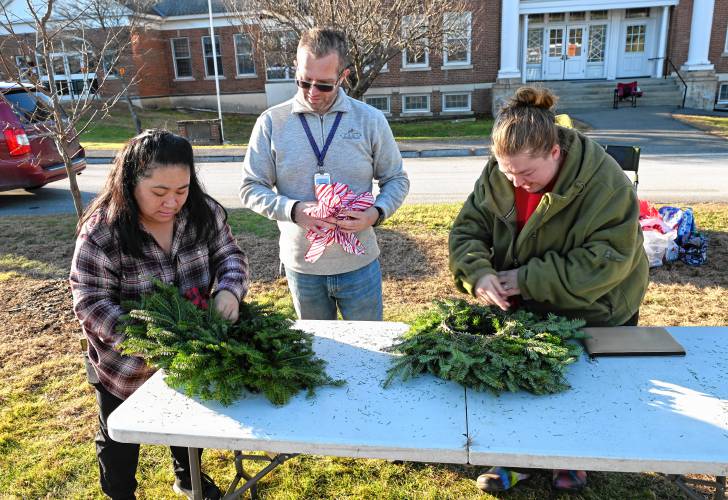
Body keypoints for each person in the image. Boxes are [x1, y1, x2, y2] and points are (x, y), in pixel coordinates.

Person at [448, 87, 649, 492]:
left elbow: (606, 261)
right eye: (508, 173)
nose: (517, 183)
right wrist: (479, 273)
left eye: (527, 174)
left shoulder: (605, 183)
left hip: (598, 304)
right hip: (521, 301)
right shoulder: (499, 172)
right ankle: (511, 458)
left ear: (555, 153)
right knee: (516, 376)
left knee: (582, 382)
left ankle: (572, 458)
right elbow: (468, 229)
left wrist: (526, 278)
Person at [70, 129, 249, 500]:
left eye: (181, 190)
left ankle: (188, 477)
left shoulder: (204, 213)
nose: (172, 203)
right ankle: (120, 493)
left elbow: (231, 257)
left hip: (192, 356)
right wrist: (149, 339)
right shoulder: (102, 232)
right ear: (130, 182)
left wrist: (230, 290)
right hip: (123, 366)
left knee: (188, 423)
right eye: (159, 192)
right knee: (119, 438)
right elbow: (90, 301)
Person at [240, 27, 409, 321]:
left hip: (359, 264)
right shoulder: (271, 123)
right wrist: (293, 210)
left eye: (325, 85)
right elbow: (250, 187)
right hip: (303, 269)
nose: (312, 92)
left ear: (344, 76)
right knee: (318, 356)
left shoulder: (370, 120)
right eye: (304, 81)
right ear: (296, 68)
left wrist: (375, 214)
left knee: (370, 352)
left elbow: (396, 179)